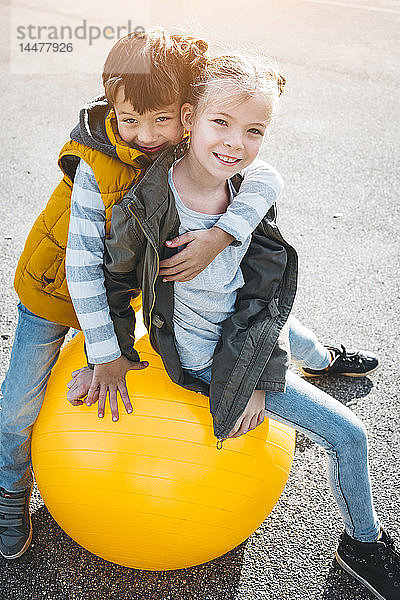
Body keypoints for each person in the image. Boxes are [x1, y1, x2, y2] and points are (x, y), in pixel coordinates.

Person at [93, 54, 399, 600]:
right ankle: (362, 548)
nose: (236, 143)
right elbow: (112, 283)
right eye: (222, 123)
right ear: (188, 119)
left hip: (250, 321)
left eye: (254, 130)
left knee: (291, 331)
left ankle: (323, 360)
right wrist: (107, 355)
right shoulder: (148, 207)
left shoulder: (247, 188)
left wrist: (224, 235)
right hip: (220, 355)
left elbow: (265, 283)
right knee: (351, 435)